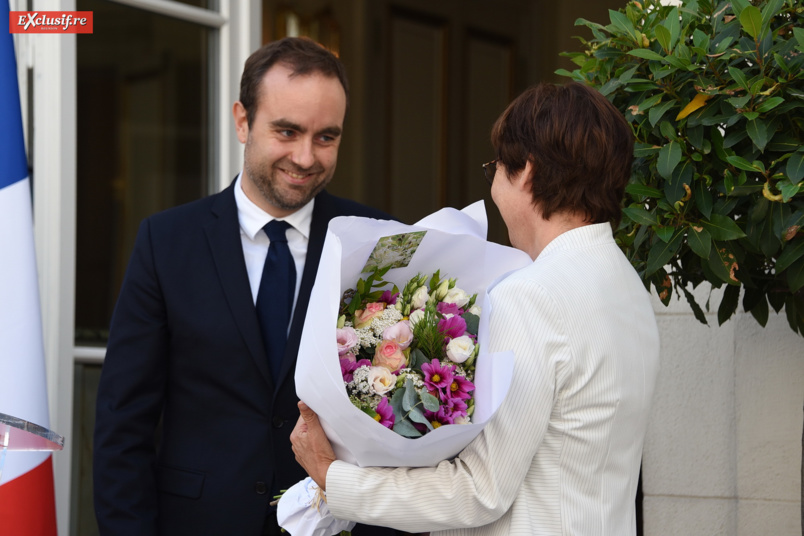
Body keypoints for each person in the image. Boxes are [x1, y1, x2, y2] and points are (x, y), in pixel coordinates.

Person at [291, 81, 661, 535]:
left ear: (526, 171)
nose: (495, 191)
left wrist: (333, 477)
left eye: (497, 170)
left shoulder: (530, 294)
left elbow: (481, 490)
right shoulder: (628, 285)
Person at [93, 37, 396, 536]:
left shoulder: (378, 241)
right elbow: (123, 425)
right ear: (242, 121)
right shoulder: (167, 242)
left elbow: (398, 426)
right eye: (287, 131)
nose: (305, 157)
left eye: (326, 137)